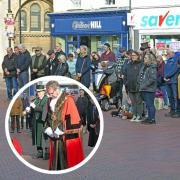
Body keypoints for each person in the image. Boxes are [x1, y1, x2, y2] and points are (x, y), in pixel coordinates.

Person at [44, 81, 84, 170]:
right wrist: (48, 128)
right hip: (54, 136)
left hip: (64, 138)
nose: (50, 95)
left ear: (57, 90)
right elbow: (48, 116)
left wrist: (61, 129)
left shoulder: (68, 99)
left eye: (51, 93)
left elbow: (73, 119)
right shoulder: (49, 100)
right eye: (48, 93)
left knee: (65, 162)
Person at [124, 51, 143, 122]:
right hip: (130, 86)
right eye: (132, 55)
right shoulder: (129, 64)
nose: (133, 56)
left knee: (138, 102)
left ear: (138, 56)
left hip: (138, 86)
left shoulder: (141, 64)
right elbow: (125, 74)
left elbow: (142, 75)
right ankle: (134, 115)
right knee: (133, 102)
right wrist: (125, 82)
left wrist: (140, 84)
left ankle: (139, 116)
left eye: (134, 55)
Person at [30, 85, 48, 159]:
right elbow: (33, 110)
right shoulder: (36, 99)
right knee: (37, 136)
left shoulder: (46, 99)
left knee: (44, 137)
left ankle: (46, 153)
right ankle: (39, 152)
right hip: (36, 121)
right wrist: (29, 109)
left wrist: (35, 107)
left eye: (40, 92)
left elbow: (43, 109)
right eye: (37, 92)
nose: (38, 93)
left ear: (43, 91)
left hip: (43, 121)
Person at [139, 52, 157, 124]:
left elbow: (152, 79)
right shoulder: (145, 66)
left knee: (150, 105)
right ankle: (149, 117)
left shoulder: (152, 67)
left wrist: (144, 85)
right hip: (144, 88)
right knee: (147, 105)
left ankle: (152, 119)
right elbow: (141, 76)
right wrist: (139, 83)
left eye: (145, 58)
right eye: (144, 58)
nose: (144, 59)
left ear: (150, 59)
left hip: (149, 89)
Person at [164, 49, 179, 118]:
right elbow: (165, 70)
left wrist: (167, 76)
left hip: (173, 81)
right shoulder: (167, 61)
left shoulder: (175, 60)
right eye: (167, 53)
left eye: (169, 53)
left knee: (175, 97)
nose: (167, 54)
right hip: (167, 81)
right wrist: (164, 77)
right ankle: (172, 111)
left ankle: (176, 111)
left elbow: (174, 69)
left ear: (173, 53)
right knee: (170, 96)